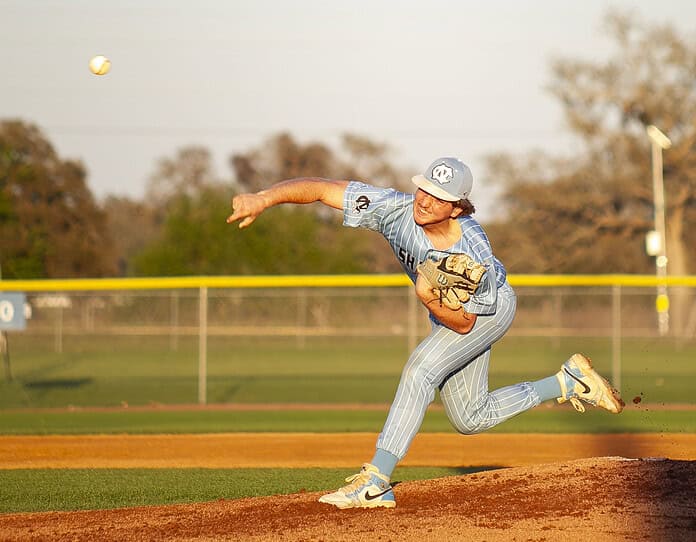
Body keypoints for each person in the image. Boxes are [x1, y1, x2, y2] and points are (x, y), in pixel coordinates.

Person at [226, 157, 624, 510]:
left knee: (420, 370)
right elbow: (322, 189)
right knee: (470, 417)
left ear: (457, 207)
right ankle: (566, 383)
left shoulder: (474, 252)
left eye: (438, 196)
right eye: (424, 188)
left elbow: (466, 323)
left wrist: (427, 298)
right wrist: (264, 198)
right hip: (450, 309)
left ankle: (376, 482)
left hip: (487, 309)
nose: (425, 199)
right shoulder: (395, 208)